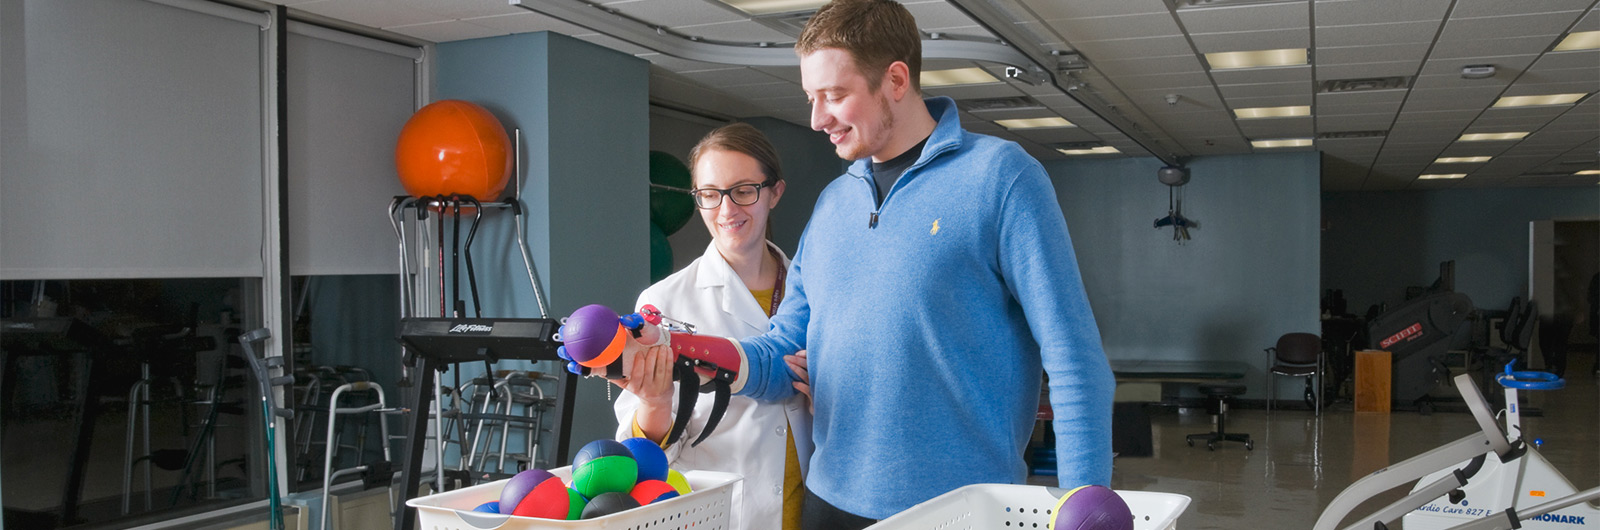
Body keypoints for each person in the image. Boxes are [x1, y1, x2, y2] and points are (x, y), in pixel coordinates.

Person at [729, 0, 1115, 527]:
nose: (817, 119)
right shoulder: (832, 204)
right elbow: (784, 353)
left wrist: (1085, 505)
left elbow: (1074, 359)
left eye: (835, 95)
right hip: (827, 503)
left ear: (894, 79)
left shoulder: (1001, 178)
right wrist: (698, 359)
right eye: (811, 98)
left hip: (960, 511)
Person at [611, 123, 813, 530]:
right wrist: (655, 403)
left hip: (810, 514)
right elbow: (643, 461)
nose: (726, 210)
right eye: (710, 194)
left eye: (743, 191)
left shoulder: (815, 290)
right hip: (722, 519)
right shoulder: (662, 304)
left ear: (775, 192)